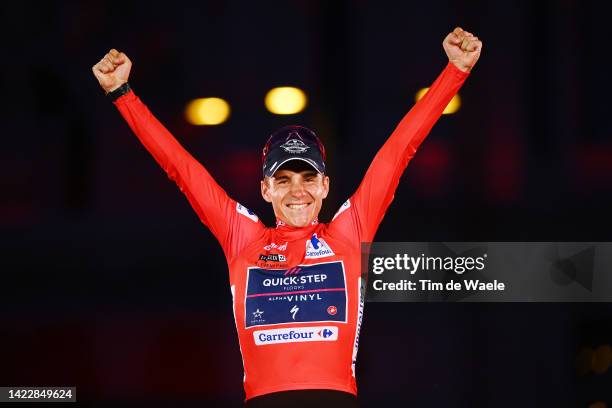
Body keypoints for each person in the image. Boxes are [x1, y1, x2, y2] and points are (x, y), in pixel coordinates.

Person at [93, 27, 482, 407]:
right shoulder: (243, 239)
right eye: (283, 179)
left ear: (326, 186)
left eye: (308, 177)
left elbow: (399, 151)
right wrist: (122, 94)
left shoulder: (349, 231)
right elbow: (181, 168)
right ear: (265, 190)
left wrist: (455, 72)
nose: (297, 191)